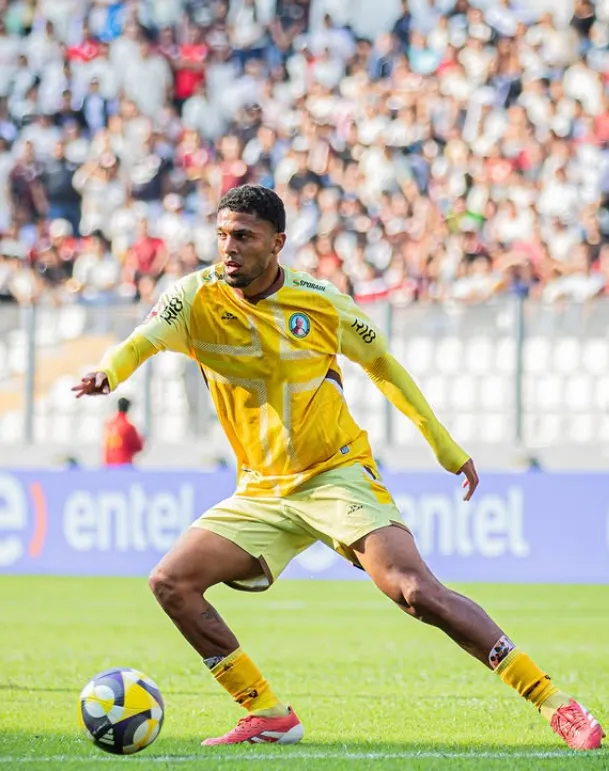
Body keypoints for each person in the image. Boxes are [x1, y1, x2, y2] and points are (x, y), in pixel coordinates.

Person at [72, 185, 604, 750]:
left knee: (415, 591)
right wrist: (111, 371)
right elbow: (145, 338)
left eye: (244, 237)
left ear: (277, 244)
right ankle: (268, 712)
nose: (228, 248)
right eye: (223, 235)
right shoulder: (195, 297)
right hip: (260, 489)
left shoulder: (320, 302)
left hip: (335, 473)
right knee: (171, 583)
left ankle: (554, 703)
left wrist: (445, 447)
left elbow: (385, 367)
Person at [103, 397, 144, 467]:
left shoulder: (108, 424)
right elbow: (138, 446)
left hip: (109, 465)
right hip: (124, 465)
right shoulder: (129, 426)